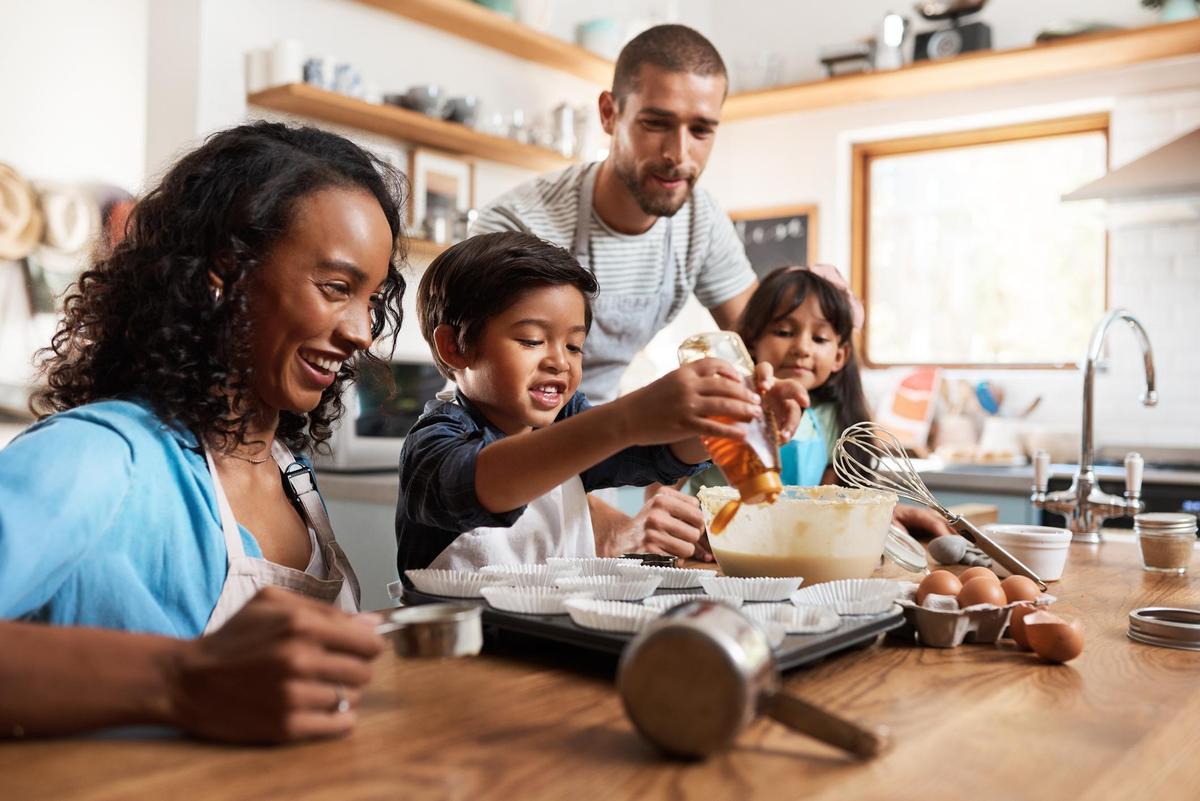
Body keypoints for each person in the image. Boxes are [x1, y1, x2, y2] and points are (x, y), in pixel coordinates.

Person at [0, 122, 405, 742]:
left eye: (371, 300)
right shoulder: (95, 456)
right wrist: (180, 678)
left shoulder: (290, 475)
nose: (361, 331)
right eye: (335, 288)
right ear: (225, 270)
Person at [471, 24, 756, 556]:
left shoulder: (700, 221)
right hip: (504, 454)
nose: (678, 154)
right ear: (609, 113)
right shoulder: (518, 224)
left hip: (606, 448)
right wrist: (606, 524)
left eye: (701, 130)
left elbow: (760, 351)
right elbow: (488, 404)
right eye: (656, 123)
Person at [394, 232, 804, 573]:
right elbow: (481, 483)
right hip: (461, 642)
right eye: (532, 340)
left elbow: (658, 452)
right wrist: (627, 417)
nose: (559, 361)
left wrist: (732, 415)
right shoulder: (434, 440)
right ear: (455, 347)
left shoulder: (568, 421)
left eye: (574, 346)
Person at [719, 265, 953, 538]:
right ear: (751, 342)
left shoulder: (832, 421)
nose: (802, 348)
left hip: (795, 543)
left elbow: (830, 503)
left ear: (839, 356)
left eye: (819, 338)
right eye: (783, 332)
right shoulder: (727, 404)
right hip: (724, 539)